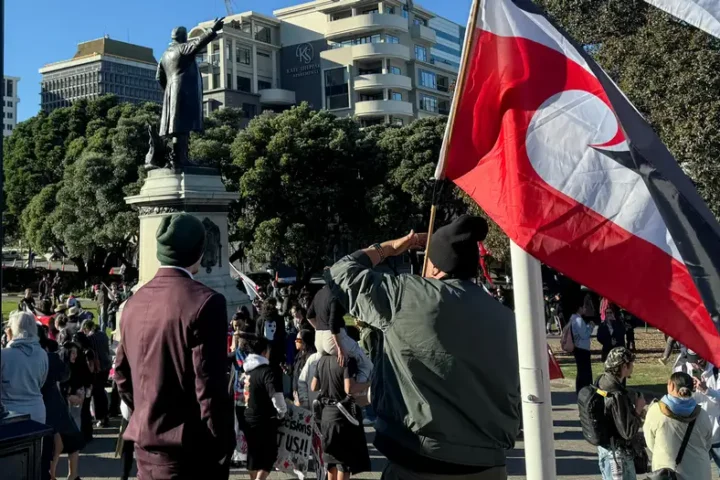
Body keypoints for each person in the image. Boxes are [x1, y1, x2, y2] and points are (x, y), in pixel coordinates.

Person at [326, 216, 520, 479]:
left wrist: (392, 248)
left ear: (436, 267)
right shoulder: (504, 316)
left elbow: (340, 272)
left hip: (420, 460)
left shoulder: (408, 294)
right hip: (489, 465)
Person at [114, 213, 234, 479]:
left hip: (145, 448)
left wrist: (148, 413)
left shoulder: (133, 303)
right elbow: (208, 386)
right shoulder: (205, 302)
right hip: (189, 452)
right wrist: (223, 442)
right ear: (200, 251)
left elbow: (122, 374)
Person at [644, 371, 713, 480]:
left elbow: (650, 442)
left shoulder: (657, 411)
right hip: (699, 471)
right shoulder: (702, 414)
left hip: (668, 472)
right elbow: (708, 443)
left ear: (671, 385)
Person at [312, 353, 371, 479]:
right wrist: (369, 383)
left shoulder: (322, 360)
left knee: (331, 462)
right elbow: (349, 388)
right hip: (343, 416)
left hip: (326, 416)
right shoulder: (347, 360)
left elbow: (314, 386)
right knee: (343, 464)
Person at [594, 347, 645, 480]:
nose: (633, 366)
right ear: (624, 366)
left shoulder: (601, 381)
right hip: (618, 456)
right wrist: (638, 410)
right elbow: (628, 432)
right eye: (631, 363)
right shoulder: (617, 394)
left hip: (605, 449)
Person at [308, 284, 373, 384]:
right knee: (367, 365)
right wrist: (340, 348)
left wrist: (319, 328)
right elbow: (333, 324)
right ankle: (357, 390)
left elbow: (309, 316)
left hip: (319, 339)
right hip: (332, 338)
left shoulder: (319, 293)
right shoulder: (336, 293)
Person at [244, 337, 287, 480]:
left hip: (248, 417)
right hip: (265, 419)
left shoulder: (247, 371)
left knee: (253, 454)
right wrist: (282, 412)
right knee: (268, 455)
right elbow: (276, 395)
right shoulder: (266, 371)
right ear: (264, 352)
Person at [40, 337, 83, 480]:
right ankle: (57, 475)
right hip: (56, 410)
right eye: (72, 353)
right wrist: (70, 396)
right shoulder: (53, 361)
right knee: (57, 446)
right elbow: (61, 384)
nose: (75, 356)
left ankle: (70, 475)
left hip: (57, 409)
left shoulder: (67, 365)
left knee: (60, 445)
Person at [672, 350, 720, 473]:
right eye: (693, 361)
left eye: (700, 359)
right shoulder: (681, 369)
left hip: (717, 434)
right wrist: (688, 391)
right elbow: (675, 401)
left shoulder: (716, 369)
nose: (696, 364)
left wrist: (706, 390)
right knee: (696, 474)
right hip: (694, 437)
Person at [1, 311, 49, 423]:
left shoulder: (4, 355)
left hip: (10, 412)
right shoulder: (42, 354)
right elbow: (41, 382)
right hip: (37, 410)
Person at [82, 319, 112, 428]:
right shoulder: (103, 335)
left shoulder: (91, 338)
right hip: (106, 365)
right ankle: (104, 415)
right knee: (101, 391)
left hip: (97, 368)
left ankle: (101, 417)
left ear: (86, 329)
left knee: (96, 393)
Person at [255, 298, 287, 375]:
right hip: (277, 352)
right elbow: (282, 336)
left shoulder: (260, 320)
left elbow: (258, 337)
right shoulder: (279, 318)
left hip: (264, 353)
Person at [570, 295, 594, 394]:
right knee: (585, 372)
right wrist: (590, 326)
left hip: (578, 347)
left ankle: (580, 390)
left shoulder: (573, 318)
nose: (585, 308)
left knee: (581, 371)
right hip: (582, 348)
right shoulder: (578, 320)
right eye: (584, 307)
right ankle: (585, 390)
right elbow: (585, 334)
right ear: (579, 308)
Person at [292, 329, 317, 407]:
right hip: (297, 396)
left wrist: (303, 399)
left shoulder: (310, 358)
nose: (295, 341)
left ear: (305, 341)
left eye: (298, 339)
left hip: (305, 398)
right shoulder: (299, 355)